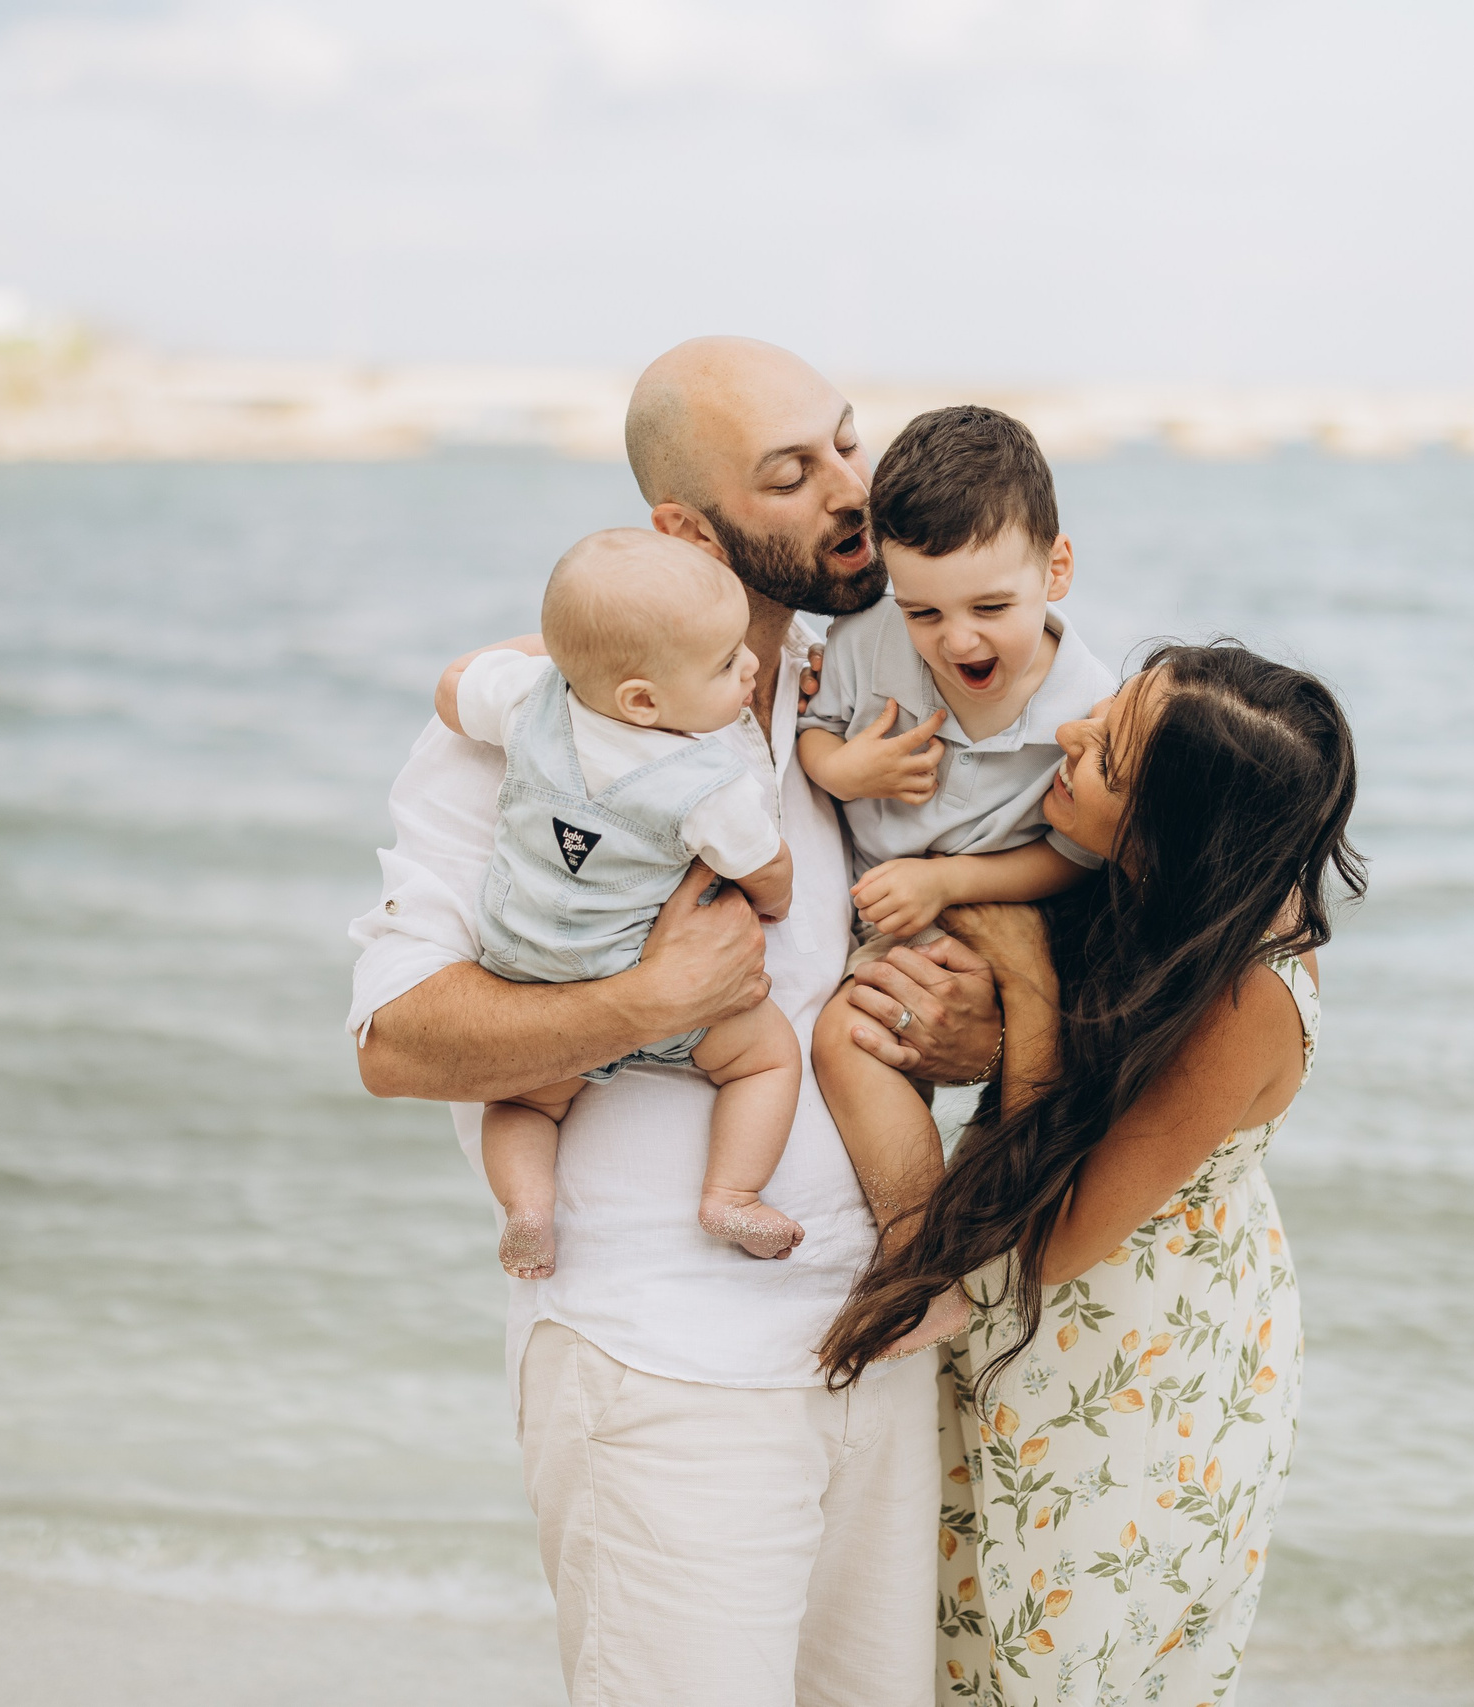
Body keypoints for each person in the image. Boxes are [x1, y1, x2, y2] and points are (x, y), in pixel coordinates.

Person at [347, 336, 1004, 1707]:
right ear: (686, 530)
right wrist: (652, 1000)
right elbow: (396, 1038)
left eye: (844, 440)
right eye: (792, 472)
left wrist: (973, 1036)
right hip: (666, 1362)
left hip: (876, 1337)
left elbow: (921, 952)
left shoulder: (865, 702)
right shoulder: (549, 726)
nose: (850, 487)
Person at [820, 642, 1364, 1707]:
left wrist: (1023, 987)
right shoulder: (1133, 885)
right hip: (1034, 1329)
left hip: (1135, 1377)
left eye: (1105, 757)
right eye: (1101, 712)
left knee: (1044, 1670)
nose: (1064, 738)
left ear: (1169, 830)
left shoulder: (1245, 991)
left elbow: (1064, 1234)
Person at [797, 404, 1114, 1356]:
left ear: (1054, 571)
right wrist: (847, 771)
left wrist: (951, 885)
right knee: (861, 1052)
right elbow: (816, 734)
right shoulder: (869, 643)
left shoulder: (1085, 705)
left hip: (977, 908)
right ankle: (930, 1245)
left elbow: (1074, 855)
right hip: (878, 902)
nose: (957, 641)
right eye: (924, 610)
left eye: (990, 609)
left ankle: (917, 1253)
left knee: (843, 1038)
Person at [431, 529, 804, 1279]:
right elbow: (770, 874)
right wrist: (772, 898)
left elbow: (450, 690)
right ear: (643, 701)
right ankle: (731, 1191)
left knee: (524, 1105)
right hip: (662, 984)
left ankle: (529, 1209)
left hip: (531, 978)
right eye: (728, 661)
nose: (752, 665)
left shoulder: (529, 701)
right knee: (767, 1060)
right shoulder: (707, 780)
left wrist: (569, 650)